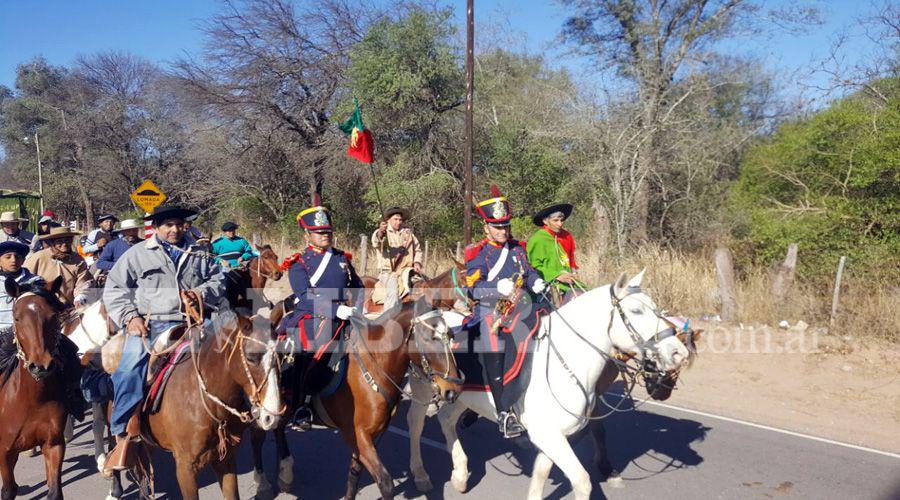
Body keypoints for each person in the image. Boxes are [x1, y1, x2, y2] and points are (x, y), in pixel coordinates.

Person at [102, 204, 226, 472]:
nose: (174, 229)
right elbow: (114, 289)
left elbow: (220, 280)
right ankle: (122, 430)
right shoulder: (138, 254)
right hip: (151, 323)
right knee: (129, 368)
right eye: (168, 225)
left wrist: (200, 293)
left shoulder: (199, 252)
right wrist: (130, 318)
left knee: (234, 356)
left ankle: (239, 417)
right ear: (156, 228)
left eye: (178, 224)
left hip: (194, 320)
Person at [464, 185, 547, 438]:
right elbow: (474, 290)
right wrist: (495, 287)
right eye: (497, 226)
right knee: (494, 346)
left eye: (506, 226)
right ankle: (503, 413)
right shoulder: (478, 253)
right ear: (486, 227)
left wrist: (535, 281)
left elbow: (528, 270)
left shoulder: (518, 248)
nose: (503, 230)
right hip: (492, 312)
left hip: (522, 307)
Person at [280, 194, 362, 430]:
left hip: (346, 313)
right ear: (307, 235)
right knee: (309, 355)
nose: (325, 236)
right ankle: (300, 404)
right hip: (313, 316)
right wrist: (338, 310)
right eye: (319, 232)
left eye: (328, 232)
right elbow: (305, 297)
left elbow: (357, 286)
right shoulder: (299, 263)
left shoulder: (342, 258)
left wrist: (356, 306)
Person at [0, 240, 88, 421]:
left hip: (36, 333)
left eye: (17, 256)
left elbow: (53, 305)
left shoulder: (35, 281)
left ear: (24, 259)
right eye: (7, 257)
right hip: (3, 335)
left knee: (71, 352)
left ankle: (73, 399)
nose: (13, 260)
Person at [526, 203, 585, 304]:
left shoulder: (565, 236)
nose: (560, 224)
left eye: (561, 220)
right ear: (545, 221)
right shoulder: (537, 239)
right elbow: (533, 266)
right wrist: (557, 275)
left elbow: (569, 260)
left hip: (569, 282)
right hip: (550, 285)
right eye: (555, 220)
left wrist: (573, 273)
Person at [24, 226, 95, 308]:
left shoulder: (78, 260)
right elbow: (26, 278)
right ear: (52, 243)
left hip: (68, 307)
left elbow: (84, 282)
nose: (64, 244)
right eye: (59, 241)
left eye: (67, 240)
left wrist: (80, 297)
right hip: (42, 307)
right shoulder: (38, 257)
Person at [370, 207, 423, 309]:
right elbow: (377, 241)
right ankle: (388, 318)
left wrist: (417, 262)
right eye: (395, 219)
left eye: (400, 220)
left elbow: (418, 250)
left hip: (408, 271)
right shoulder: (383, 232)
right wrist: (381, 232)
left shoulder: (408, 234)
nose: (398, 222)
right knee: (393, 292)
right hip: (389, 273)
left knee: (426, 287)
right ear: (388, 220)